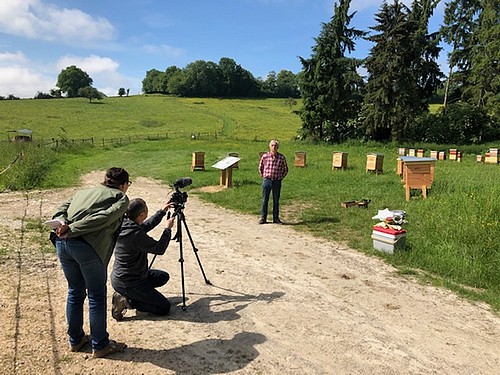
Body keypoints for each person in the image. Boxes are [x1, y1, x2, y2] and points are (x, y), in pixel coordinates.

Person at [52, 167, 130, 358]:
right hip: (87, 247)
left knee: (75, 291)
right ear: (123, 184)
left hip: (63, 245)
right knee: (96, 295)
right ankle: (100, 344)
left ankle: (76, 340)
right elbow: (103, 218)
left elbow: (61, 210)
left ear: (104, 179)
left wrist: (60, 224)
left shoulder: (83, 192)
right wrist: (72, 228)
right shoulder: (121, 198)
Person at [110, 198, 175, 321]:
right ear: (141, 214)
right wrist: (168, 229)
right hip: (129, 282)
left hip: (129, 275)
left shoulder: (126, 224)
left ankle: (137, 296)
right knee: (164, 307)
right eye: (146, 209)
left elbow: (146, 225)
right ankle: (127, 301)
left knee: (163, 277)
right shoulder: (135, 235)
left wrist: (162, 212)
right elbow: (159, 248)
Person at [258, 139, 288, 224]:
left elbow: (285, 169)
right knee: (265, 199)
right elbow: (261, 167)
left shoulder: (281, 157)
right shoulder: (265, 156)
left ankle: (276, 218)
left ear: (277, 147)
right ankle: (263, 218)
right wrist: (263, 176)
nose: (273, 147)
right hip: (267, 180)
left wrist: (280, 178)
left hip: (276, 181)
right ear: (269, 146)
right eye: (272, 145)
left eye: (275, 145)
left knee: (276, 200)